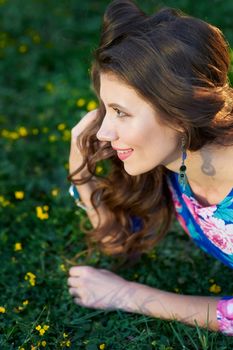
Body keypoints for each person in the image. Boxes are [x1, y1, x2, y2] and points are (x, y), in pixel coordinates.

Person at [67, 0, 233, 336]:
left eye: (121, 112)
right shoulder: (172, 161)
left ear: (178, 113)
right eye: (105, 109)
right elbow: (117, 240)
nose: (103, 131)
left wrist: (127, 294)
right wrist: (78, 161)